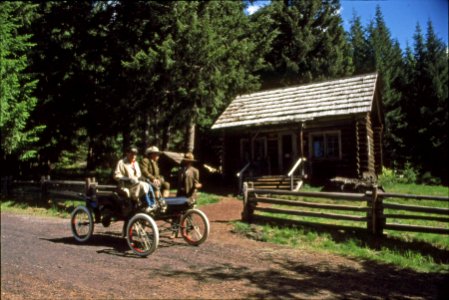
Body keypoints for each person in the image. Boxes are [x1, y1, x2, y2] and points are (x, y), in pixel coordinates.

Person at [113, 146, 155, 212]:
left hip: (136, 184)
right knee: (143, 185)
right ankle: (148, 205)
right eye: (132, 153)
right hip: (126, 185)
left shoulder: (136, 163)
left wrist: (146, 179)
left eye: (135, 154)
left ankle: (153, 204)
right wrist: (128, 179)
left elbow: (139, 176)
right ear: (127, 153)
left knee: (148, 184)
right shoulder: (121, 162)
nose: (134, 156)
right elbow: (116, 175)